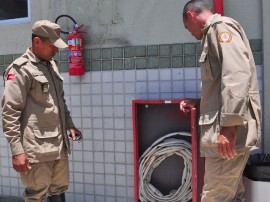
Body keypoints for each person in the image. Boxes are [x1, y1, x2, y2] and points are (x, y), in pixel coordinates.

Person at [180, 1, 261, 201]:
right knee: (232, 196)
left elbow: (236, 76)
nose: (188, 32)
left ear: (191, 15)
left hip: (225, 137)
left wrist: (229, 126)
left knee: (215, 196)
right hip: (225, 133)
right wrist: (199, 102)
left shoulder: (221, 28)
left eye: (186, 26)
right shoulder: (212, 33)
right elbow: (223, 86)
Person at [1, 20, 83, 202]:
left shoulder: (50, 65)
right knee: (36, 195)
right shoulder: (21, 69)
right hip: (37, 149)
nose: (56, 50)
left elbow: (59, 102)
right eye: (52, 45)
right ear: (37, 41)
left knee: (59, 190)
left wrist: (70, 126)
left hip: (59, 143)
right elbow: (10, 112)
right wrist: (17, 151)